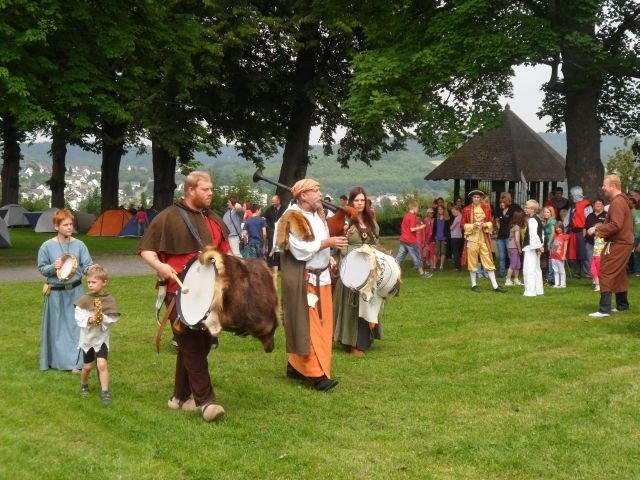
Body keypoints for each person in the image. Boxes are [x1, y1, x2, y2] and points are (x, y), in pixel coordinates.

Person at [139, 171, 230, 421]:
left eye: (211, 189)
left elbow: (224, 253)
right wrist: (161, 267)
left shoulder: (214, 219)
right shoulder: (168, 217)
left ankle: (179, 396)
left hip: (209, 292)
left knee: (201, 344)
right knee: (190, 342)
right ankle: (205, 402)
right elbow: (147, 250)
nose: (211, 193)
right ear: (190, 190)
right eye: (205, 189)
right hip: (177, 291)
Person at [275, 178, 347, 391]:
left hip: (322, 277)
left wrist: (329, 257)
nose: (319, 193)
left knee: (323, 326)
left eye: (318, 189)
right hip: (303, 280)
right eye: (315, 190)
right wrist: (328, 243)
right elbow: (300, 250)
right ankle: (316, 375)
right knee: (310, 327)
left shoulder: (318, 215)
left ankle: (295, 366)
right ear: (303, 195)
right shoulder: (291, 218)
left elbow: (318, 244)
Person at [38, 209, 95, 371]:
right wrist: (53, 267)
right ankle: (56, 361)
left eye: (71, 224)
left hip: (76, 292)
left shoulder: (79, 245)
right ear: (57, 226)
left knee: (76, 326)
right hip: (55, 292)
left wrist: (93, 269)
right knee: (57, 329)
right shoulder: (47, 246)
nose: (70, 227)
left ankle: (76, 363)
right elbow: (42, 269)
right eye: (65, 225)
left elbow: (87, 265)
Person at [333, 187, 382, 356]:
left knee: (367, 303)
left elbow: (376, 240)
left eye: (362, 200)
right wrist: (347, 241)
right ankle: (350, 341)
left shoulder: (370, 219)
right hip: (351, 269)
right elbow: (340, 245)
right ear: (351, 202)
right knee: (351, 305)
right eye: (357, 200)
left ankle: (364, 339)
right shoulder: (345, 221)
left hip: (368, 268)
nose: (360, 203)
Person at [587, 175, 633, 317]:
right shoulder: (621, 201)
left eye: (604, 185)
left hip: (618, 243)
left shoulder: (618, 202)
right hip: (624, 242)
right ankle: (622, 305)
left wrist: (596, 229)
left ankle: (604, 309)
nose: (603, 188)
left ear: (613, 186)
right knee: (618, 273)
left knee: (605, 271)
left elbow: (616, 225)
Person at [75, 265, 120, 404]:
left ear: (104, 282)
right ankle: (84, 384)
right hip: (88, 339)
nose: (90, 285)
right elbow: (78, 315)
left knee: (101, 364)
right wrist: (89, 319)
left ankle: (105, 391)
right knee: (88, 366)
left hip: (101, 339)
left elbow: (113, 317)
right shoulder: (84, 299)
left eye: (94, 282)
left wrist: (101, 318)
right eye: (88, 282)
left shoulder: (109, 299)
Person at [461, 190, 506, 293]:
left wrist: (486, 225)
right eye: (474, 197)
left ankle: (495, 286)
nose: (476, 199)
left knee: (488, 261)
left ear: (480, 198)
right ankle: (474, 284)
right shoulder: (466, 209)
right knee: (473, 262)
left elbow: (490, 221)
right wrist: (473, 226)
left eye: (478, 197)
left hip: (483, 239)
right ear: (472, 198)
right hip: (472, 239)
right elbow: (462, 225)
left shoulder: (486, 209)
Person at [396, 200, 432, 278]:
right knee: (417, 256)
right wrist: (421, 227)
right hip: (411, 240)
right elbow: (412, 229)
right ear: (414, 207)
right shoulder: (412, 217)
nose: (418, 209)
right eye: (418, 208)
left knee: (399, 257)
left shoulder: (406, 216)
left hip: (403, 239)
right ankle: (422, 273)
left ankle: (392, 271)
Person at [567, 186, 593, 278]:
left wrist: (586, 230)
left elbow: (589, 219)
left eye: (571, 194)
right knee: (575, 253)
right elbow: (567, 219)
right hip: (573, 232)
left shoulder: (586, 205)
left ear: (575, 194)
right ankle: (577, 272)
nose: (570, 196)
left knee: (584, 253)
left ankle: (588, 273)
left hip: (583, 231)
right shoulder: (573, 206)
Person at [495, 192, 522, 277]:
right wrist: (498, 228)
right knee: (502, 256)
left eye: (503, 202)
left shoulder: (513, 209)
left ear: (507, 201)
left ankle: (513, 272)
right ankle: (502, 272)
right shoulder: (499, 210)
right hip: (500, 236)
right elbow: (496, 220)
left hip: (509, 236)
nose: (501, 204)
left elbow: (518, 218)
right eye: (501, 202)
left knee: (511, 256)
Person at [522, 199, 545, 296]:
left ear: (532, 209)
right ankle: (538, 290)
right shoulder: (537, 219)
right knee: (536, 269)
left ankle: (530, 291)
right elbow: (542, 234)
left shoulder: (532, 220)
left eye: (526, 207)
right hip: (536, 247)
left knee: (529, 269)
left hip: (531, 248)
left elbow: (533, 235)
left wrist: (536, 247)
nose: (525, 209)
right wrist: (540, 245)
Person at [585, 198, 607, 287]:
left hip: (601, 243)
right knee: (591, 262)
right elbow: (585, 227)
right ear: (593, 205)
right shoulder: (590, 216)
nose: (597, 205)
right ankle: (594, 281)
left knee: (601, 263)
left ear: (603, 205)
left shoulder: (606, 215)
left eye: (599, 203)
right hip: (590, 242)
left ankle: (602, 281)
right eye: (596, 203)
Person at [264, 194, 284, 275]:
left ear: (278, 201)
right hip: (272, 230)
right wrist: (269, 225)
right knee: (271, 248)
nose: (272, 203)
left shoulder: (284, 209)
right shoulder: (269, 210)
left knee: (281, 248)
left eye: (274, 202)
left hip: (281, 231)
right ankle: (270, 265)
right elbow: (265, 219)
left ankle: (280, 266)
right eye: (272, 202)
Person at [504, 210, 525, 286]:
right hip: (514, 248)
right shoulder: (517, 227)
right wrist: (519, 249)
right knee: (513, 264)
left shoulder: (513, 226)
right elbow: (517, 239)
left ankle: (516, 279)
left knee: (517, 264)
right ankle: (508, 280)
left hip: (511, 247)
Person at [549, 223, 569, 288]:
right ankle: (557, 283)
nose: (558, 229)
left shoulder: (565, 236)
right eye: (556, 228)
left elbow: (565, 246)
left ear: (562, 228)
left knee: (561, 270)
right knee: (555, 270)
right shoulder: (555, 236)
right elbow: (553, 246)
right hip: (554, 255)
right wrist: (551, 254)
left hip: (560, 256)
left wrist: (564, 255)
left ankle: (563, 284)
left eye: (559, 228)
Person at [542, 206, 557, 284]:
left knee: (551, 260)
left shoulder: (552, 221)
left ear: (551, 213)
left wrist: (549, 242)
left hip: (552, 242)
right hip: (546, 241)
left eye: (547, 212)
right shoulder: (545, 221)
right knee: (547, 260)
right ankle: (548, 277)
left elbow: (553, 233)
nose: (545, 214)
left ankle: (552, 279)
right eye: (544, 212)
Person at [433, 205, 450, 271]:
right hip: (437, 237)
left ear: (443, 210)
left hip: (444, 238)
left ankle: (441, 266)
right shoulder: (436, 219)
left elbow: (448, 230)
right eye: (438, 209)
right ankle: (434, 266)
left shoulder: (447, 219)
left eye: (441, 209)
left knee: (443, 252)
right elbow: (434, 230)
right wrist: (433, 238)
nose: (439, 210)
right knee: (436, 252)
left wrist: (447, 238)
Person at [449, 207, 463, 271]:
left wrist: (450, 227)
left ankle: (457, 267)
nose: (452, 213)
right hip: (459, 236)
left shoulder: (457, 218)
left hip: (455, 236)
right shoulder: (462, 217)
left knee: (455, 252)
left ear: (457, 210)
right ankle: (459, 266)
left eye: (453, 211)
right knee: (457, 252)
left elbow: (451, 227)